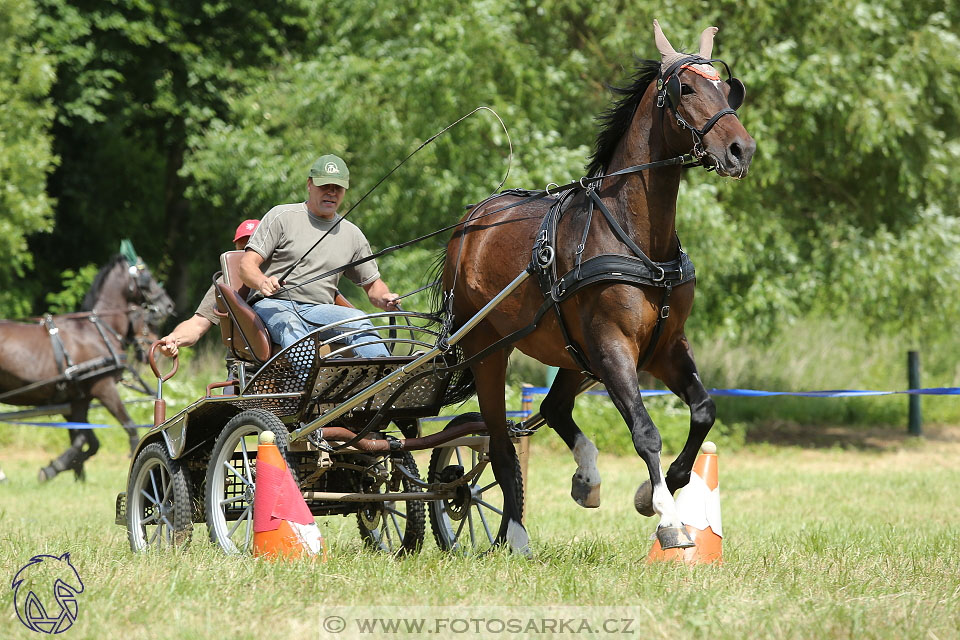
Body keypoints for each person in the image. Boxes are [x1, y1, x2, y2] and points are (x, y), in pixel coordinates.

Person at [239, 154, 399, 357]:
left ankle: (386, 379)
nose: (331, 193)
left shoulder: (352, 234)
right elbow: (246, 266)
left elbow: (374, 286)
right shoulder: (282, 216)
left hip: (319, 310)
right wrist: (262, 282)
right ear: (309, 185)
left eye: (338, 188)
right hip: (273, 305)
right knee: (292, 328)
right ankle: (311, 385)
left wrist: (385, 298)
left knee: (358, 320)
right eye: (325, 186)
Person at [158, 219, 260, 358]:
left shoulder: (280, 274)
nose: (244, 255)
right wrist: (173, 339)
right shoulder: (226, 281)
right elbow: (197, 324)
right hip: (243, 364)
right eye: (241, 250)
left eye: (250, 249)